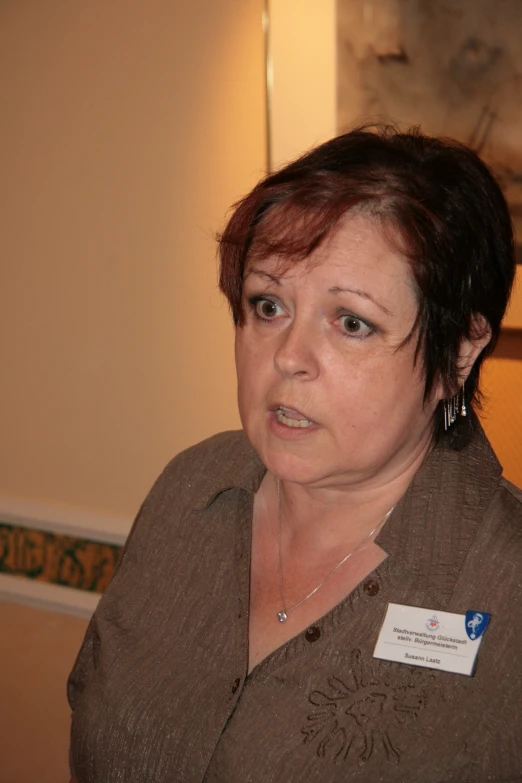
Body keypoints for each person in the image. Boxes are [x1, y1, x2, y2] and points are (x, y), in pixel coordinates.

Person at [68, 126, 522, 782]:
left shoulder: (505, 583)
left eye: (352, 322)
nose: (286, 356)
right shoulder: (189, 489)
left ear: (458, 353)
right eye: (269, 304)